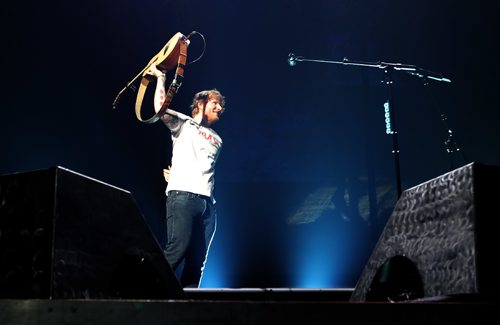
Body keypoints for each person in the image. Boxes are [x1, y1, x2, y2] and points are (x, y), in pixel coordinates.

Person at [146, 63, 225, 288]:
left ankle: (189, 305)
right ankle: (145, 296)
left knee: (198, 261)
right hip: (183, 199)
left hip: (208, 205)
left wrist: (176, 173)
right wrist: (160, 79)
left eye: (220, 105)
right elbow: (160, 108)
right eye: (215, 103)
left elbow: (201, 166)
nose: (219, 108)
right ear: (200, 104)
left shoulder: (218, 140)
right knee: (176, 250)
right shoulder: (184, 124)